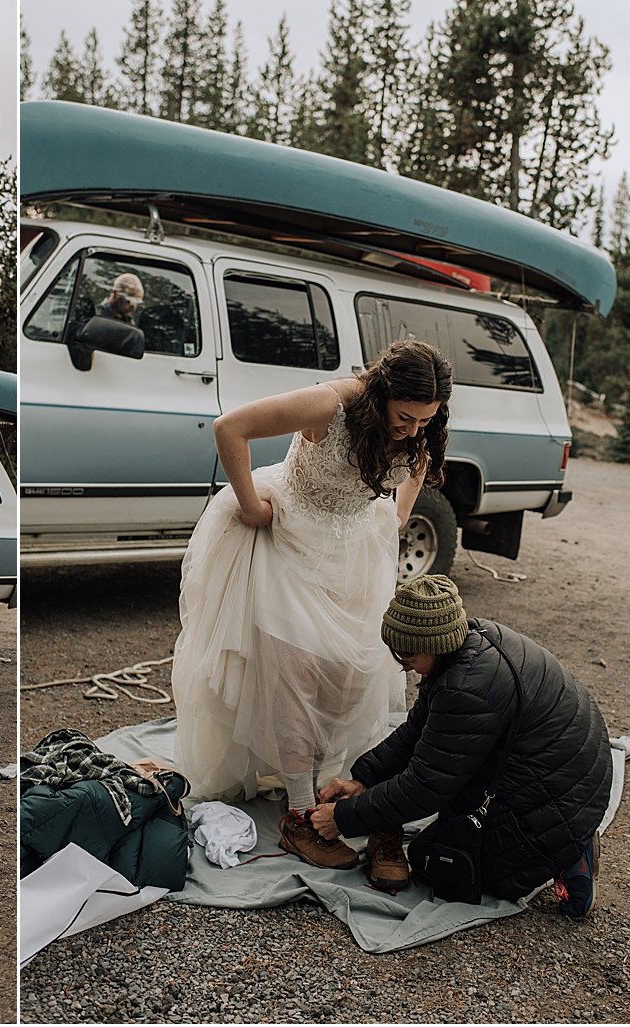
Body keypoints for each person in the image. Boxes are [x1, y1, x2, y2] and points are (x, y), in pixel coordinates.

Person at [170, 339, 453, 868]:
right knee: (293, 672)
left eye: (426, 420)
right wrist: (252, 506)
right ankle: (298, 814)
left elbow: (419, 462)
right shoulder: (333, 404)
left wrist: (396, 518)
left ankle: (330, 786)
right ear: (383, 393)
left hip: (356, 549)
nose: (415, 429)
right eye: (406, 417)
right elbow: (229, 428)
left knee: (349, 672)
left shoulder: (422, 425)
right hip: (291, 540)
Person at [311, 575, 611, 919]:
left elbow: (425, 787)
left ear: (435, 643)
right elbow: (418, 730)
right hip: (566, 770)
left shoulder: (465, 688)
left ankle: (569, 852)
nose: (401, 661)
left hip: (558, 796)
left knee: (437, 864)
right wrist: (364, 778)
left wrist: (346, 818)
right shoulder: (468, 644)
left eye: (407, 653)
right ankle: (567, 837)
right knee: (440, 839)